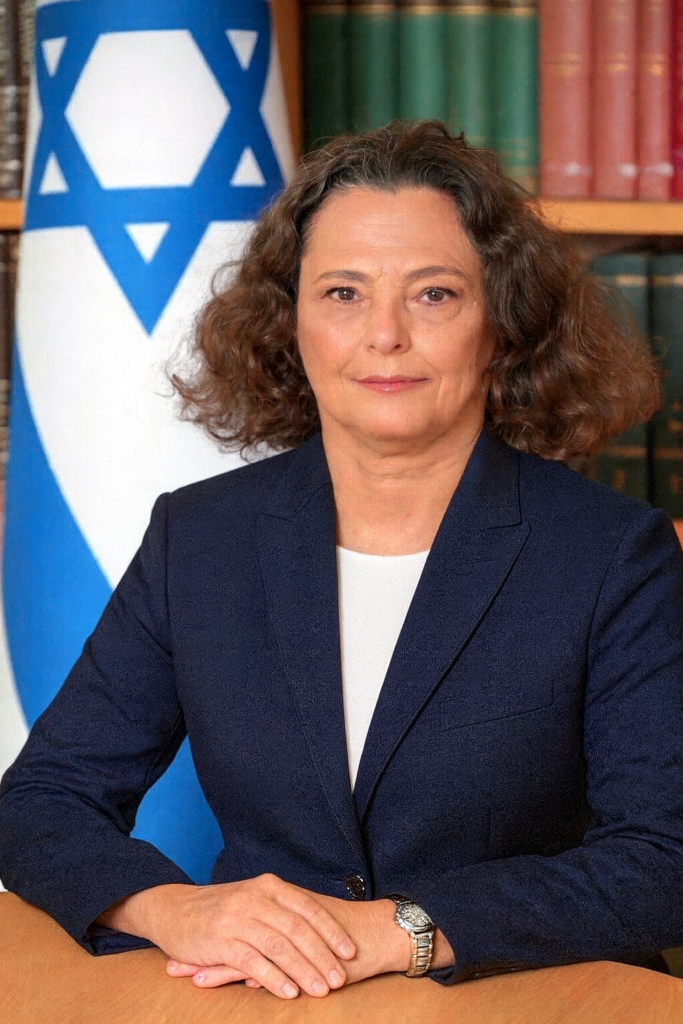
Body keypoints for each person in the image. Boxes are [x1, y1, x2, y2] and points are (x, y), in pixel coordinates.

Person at [1, 119, 682, 1001]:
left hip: (523, 1003)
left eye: (433, 294)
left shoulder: (611, 553)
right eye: (342, 293)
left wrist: (402, 930)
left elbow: (662, 859)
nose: (384, 335)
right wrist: (174, 908)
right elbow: (40, 801)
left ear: (501, 326)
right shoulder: (199, 538)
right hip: (263, 1005)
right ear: (290, 324)